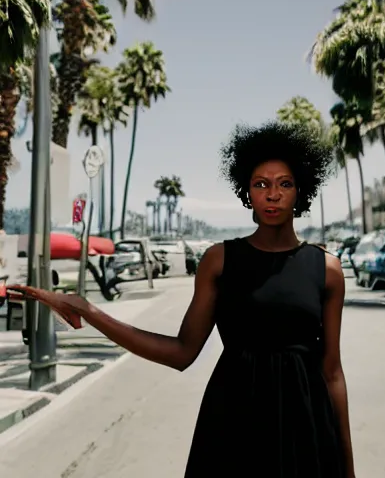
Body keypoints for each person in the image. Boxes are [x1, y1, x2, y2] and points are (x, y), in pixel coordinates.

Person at [9, 121, 355, 478]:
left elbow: (332, 372)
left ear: (300, 190)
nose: (273, 194)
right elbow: (181, 352)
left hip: (306, 426)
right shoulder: (219, 261)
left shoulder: (326, 269)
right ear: (247, 192)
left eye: (284, 184)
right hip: (233, 423)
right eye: (261, 184)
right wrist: (89, 310)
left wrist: (348, 469)